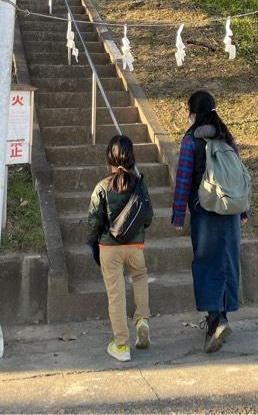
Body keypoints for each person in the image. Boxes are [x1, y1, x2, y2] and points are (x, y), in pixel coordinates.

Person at [172, 90, 248, 353]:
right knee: (227, 262)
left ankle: (215, 319)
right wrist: (243, 212)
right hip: (230, 211)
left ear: (193, 112)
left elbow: (183, 179)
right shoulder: (226, 137)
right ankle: (223, 316)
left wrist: (178, 215)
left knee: (206, 264)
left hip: (204, 211)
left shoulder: (191, 140)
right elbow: (237, 176)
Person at [87, 134, 153, 362]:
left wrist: (92, 242)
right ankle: (142, 319)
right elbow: (148, 217)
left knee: (116, 295)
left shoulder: (102, 187)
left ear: (109, 158)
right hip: (135, 246)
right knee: (140, 276)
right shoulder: (140, 185)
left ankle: (121, 346)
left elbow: (94, 221)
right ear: (132, 158)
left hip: (109, 248)